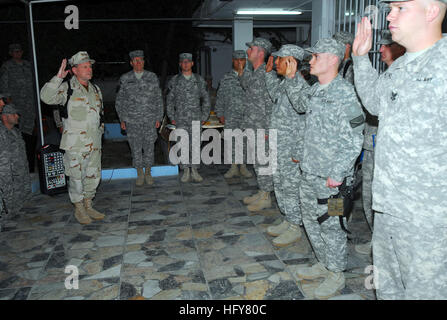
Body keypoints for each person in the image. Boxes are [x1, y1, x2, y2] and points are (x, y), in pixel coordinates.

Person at [352, 0, 447, 299]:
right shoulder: (401, 65)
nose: (389, 15)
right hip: (389, 207)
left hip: (429, 219)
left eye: (400, 7)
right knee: (388, 288)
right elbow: (375, 104)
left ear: (431, 11)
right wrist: (359, 59)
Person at [289, 38, 364, 299]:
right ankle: (323, 263)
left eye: (315, 56)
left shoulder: (345, 93)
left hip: (333, 180)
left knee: (332, 226)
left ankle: (336, 273)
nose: (310, 61)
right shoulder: (315, 91)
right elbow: (307, 127)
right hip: (310, 172)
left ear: (332, 59)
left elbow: (355, 137)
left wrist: (339, 172)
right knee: (311, 221)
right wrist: (300, 155)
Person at [355, 30, 406, 255]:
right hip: (373, 146)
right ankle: (377, 240)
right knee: (370, 196)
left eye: (387, 45)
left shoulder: (405, 74)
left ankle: (386, 246)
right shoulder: (385, 76)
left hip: (393, 156)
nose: (381, 49)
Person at [40, 51, 105, 225]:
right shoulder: (67, 88)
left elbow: (100, 114)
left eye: (90, 66)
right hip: (75, 145)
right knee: (76, 178)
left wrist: (100, 132)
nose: (89, 69)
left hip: (94, 144)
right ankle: (79, 208)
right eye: (85, 66)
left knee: (93, 176)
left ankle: (88, 204)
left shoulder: (96, 89)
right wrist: (58, 78)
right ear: (74, 70)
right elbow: (46, 97)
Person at [264, 44, 309, 247]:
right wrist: (267, 74)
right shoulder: (284, 84)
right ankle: (288, 219)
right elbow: (274, 94)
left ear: (291, 62)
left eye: (280, 60)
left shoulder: (300, 85)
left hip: (291, 149)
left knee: (291, 187)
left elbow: (304, 113)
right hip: (279, 145)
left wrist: (298, 150)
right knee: (280, 184)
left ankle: (295, 227)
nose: (276, 63)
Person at [115, 50, 163, 186]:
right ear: (131, 63)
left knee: (149, 147)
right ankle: (140, 174)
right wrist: (122, 119)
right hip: (132, 120)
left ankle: (148, 172)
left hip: (149, 119)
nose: (138, 62)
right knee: (135, 148)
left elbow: (158, 99)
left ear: (144, 61)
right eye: (135, 60)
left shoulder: (152, 77)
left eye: (140, 60)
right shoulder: (125, 79)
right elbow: (119, 101)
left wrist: (159, 117)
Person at [240, 37, 275, 212]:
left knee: (264, 162)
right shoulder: (255, 72)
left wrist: (268, 129)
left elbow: (271, 104)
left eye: (251, 49)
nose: (248, 51)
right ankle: (262, 191)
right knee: (257, 161)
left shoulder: (267, 75)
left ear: (260, 52)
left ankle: (266, 196)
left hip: (262, 127)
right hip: (252, 125)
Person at [167, 53, 210, 183]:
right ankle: (186, 170)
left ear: (192, 64)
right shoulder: (174, 81)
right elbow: (169, 100)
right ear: (180, 64)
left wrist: (204, 116)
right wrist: (171, 117)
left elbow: (206, 99)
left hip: (196, 118)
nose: (185, 64)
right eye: (183, 62)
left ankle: (195, 170)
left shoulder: (199, 80)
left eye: (188, 62)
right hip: (180, 119)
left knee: (196, 144)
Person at [215, 50, 252, 179]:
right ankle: (233, 166)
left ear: (245, 61)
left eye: (242, 60)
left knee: (244, 141)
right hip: (230, 114)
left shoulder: (251, 77)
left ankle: (243, 166)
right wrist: (220, 113)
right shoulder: (226, 78)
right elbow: (220, 96)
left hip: (246, 115)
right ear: (233, 61)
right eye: (237, 60)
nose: (239, 62)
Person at [0, 44, 37, 173]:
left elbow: (34, 83)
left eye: (20, 51)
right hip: (16, 108)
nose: (18, 53)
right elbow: (4, 87)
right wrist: (10, 107)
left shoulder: (28, 65)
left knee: (31, 137)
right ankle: (18, 168)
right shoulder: (7, 66)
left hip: (30, 107)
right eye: (15, 51)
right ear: (11, 53)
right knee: (17, 137)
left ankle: (31, 167)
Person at [0, 104, 32, 219]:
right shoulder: (2, 134)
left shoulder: (17, 132)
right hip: (8, 180)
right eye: (13, 114)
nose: (17, 116)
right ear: (5, 117)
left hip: (20, 178)